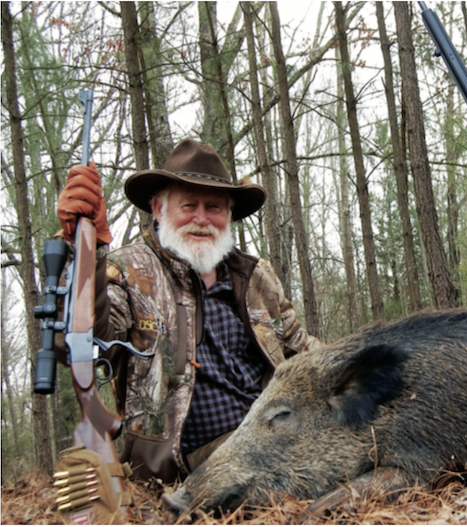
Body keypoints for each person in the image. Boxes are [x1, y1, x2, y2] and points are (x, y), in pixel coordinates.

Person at [56, 139, 322, 483]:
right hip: (188, 465)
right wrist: (85, 254)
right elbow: (84, 342)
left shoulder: (257, 276)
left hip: (278, 436)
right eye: (189, 205)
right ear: (158, 208)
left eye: (214, 207)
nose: (201, 219)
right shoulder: (125, 272)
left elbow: (303, 350)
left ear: (229, 216)